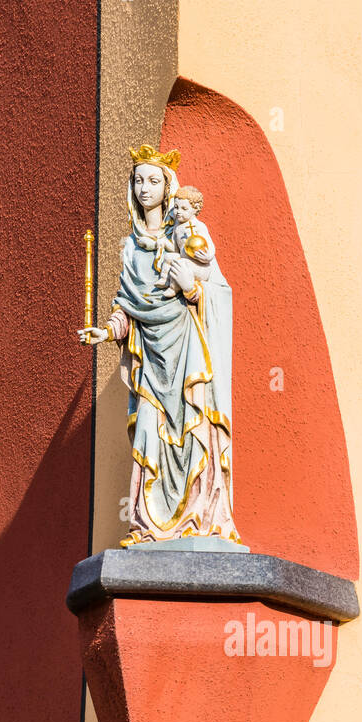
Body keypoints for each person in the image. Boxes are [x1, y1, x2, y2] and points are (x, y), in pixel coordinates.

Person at [77, 145, 242, 547]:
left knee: (193, 428)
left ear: (168, 187)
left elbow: (217, 290)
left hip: (187, 351)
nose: (144, 188)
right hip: (151, 360)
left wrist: (191, 287)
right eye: (138, 180)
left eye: (153, 180)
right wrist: (109, 330)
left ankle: (199, 517)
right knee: (151, 433)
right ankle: (151, 525)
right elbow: (126, 304)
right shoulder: (131, 248)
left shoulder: (186, 233)